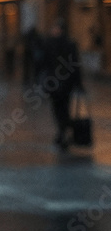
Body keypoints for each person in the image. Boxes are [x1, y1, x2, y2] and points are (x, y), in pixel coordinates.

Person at [38, 19, 83, 150]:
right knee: (61, 108)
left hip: (57, 83)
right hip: (62, 83)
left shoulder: (52, 43)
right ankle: (63, 131)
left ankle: (62, 132)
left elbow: (44, 63)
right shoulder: (66, 44)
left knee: (60, 109)